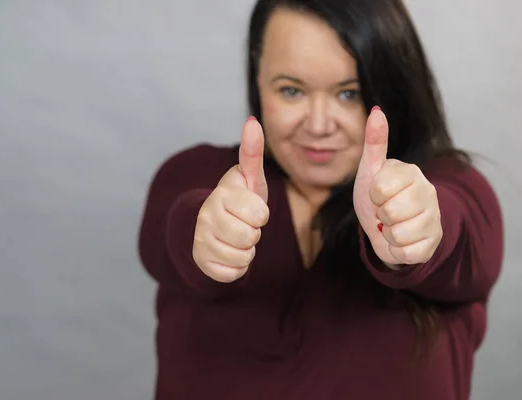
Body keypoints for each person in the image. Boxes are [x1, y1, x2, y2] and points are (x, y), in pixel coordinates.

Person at [137, 0, 504, 399]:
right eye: (291, 90)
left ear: (394, 87)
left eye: (349, 94)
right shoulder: (193, 176)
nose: (318, 125)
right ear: (257, 77)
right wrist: (208, 232)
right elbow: (174, 227)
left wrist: (418, 227)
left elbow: (456, 231)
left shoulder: (458, 188)